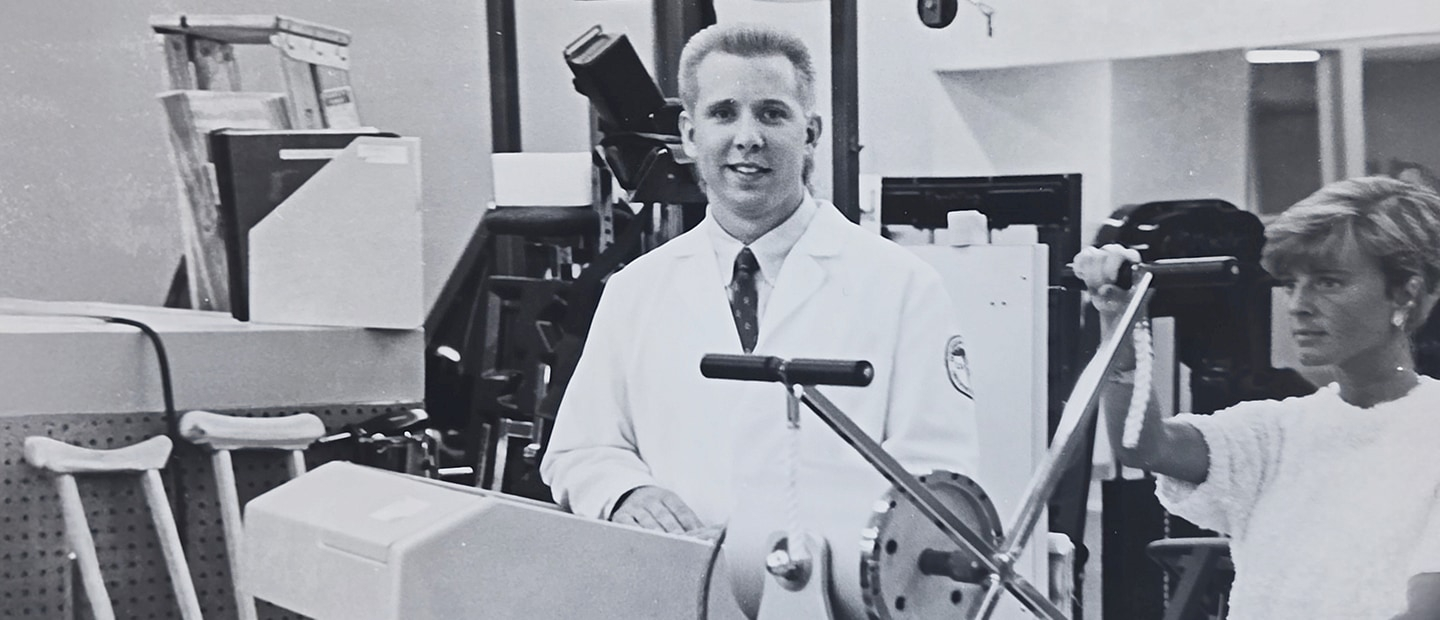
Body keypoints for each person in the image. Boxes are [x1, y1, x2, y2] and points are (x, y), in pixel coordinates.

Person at [541, 22, 978, 541]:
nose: (747, 138)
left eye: (772, 113)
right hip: (675, 584)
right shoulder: (634, 290)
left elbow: (937, 475)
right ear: (688, 133)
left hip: (830, 600)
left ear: (810, 133)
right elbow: (580, 449)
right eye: (724, 113)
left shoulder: (904, 288)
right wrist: (626, 493)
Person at [1074, 176, 1440, 619]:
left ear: (1406, 291)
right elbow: (1141, 445)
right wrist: (1119, 322)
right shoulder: (1276, 431)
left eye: (1328, 282)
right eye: (1291, 284)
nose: (1298, 305)